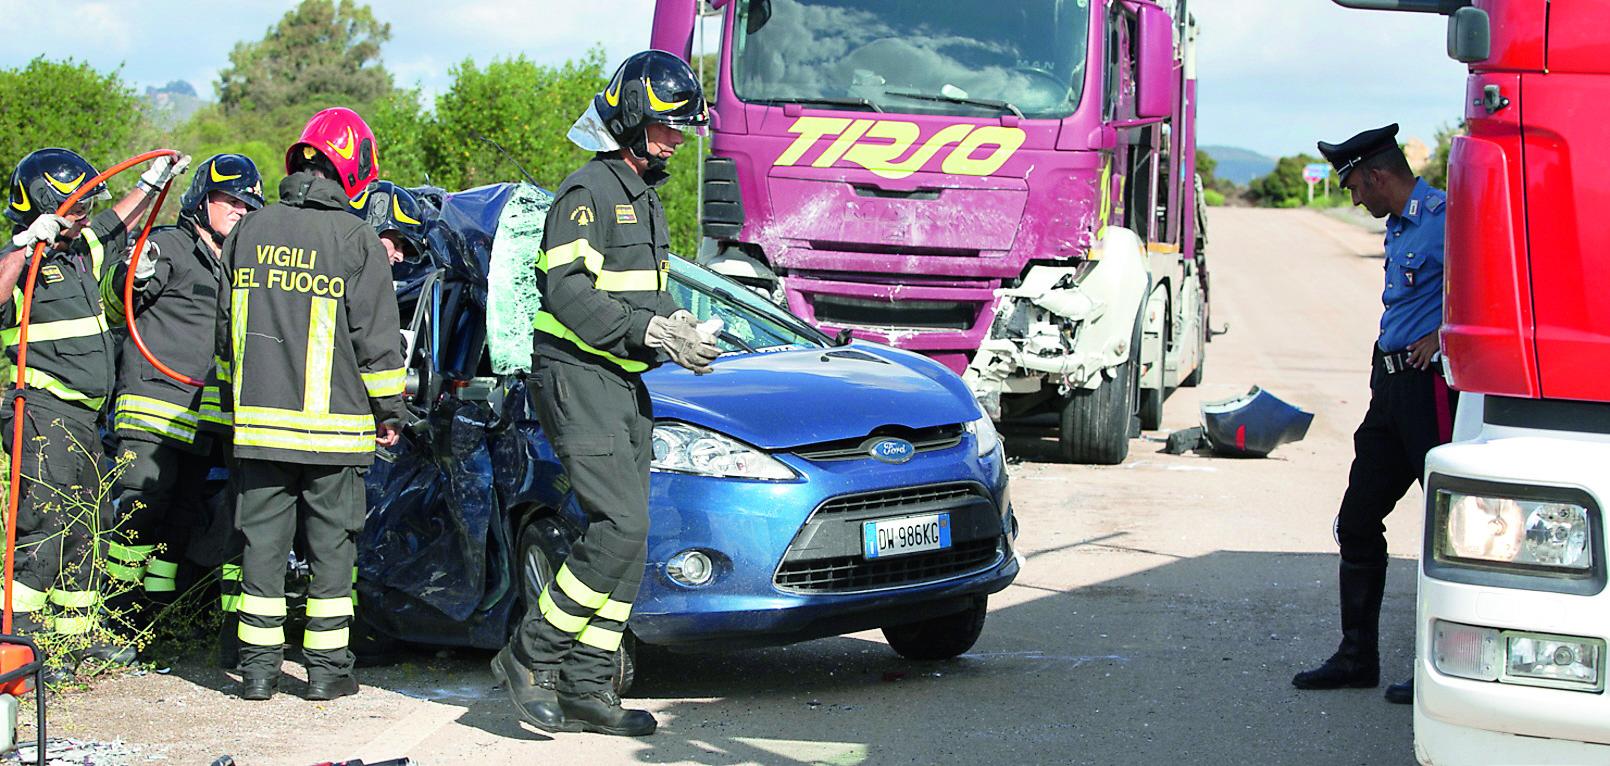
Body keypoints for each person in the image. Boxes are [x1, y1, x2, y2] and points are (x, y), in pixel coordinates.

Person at [489, 49, 720, 738]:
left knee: (631, 532)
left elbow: (643, 290)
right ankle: (531, 657)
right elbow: (566, 292)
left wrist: (677, 321)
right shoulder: (585, 191)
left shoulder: (642, 195)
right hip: (575, 376)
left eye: (682, 127)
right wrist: (651, 331)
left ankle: (590, 688)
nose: (676, 138)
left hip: (620, 381)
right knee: (619, 526)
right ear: (628, 120)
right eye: (665, 126)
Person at [215, 107, 406, 701]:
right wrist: (391, 413)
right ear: (353, 168)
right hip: (335, 430)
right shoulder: (354, 239)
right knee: (331, 549)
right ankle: (326, 674)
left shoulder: (249, 229)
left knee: (262, 549)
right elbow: (375, 339)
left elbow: (226, 332)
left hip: (259, 428)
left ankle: (257, 673)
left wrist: (234, 407)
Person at [0, 148, 188, 667]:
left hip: (83, 419)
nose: (84, 218)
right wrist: (22, 246)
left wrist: (152, 183)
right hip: (41, 412)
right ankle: (22, 650)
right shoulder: (23, 262)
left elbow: (113, 221)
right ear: (45, 206)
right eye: (75, 209)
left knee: (89, 525)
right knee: (44, 527)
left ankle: (77, 643)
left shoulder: (80, 250)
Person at [1293, 124, 1456, 705]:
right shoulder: (1399, 226)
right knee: (1357, 521)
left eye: (1357, 186)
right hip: (1387, 389)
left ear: (1379, 174)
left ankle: (1440, 666)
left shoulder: (1445, 217)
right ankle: (1356, 657)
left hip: (1427, 391)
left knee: (1446, 534)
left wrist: (1443, 334)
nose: (1356, 198)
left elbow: (1487, 287)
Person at [103, 154, 263, 631]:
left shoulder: (236, 263)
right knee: (141, 507)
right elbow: (118, 298)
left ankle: (156, 616)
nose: (239, 211)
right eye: (229, 200)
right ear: (201, 200)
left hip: (202, 417)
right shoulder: (169, 245)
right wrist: (137, 269)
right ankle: (118, 611)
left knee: (183, 518)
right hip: (152, 406)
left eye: (247, 204)